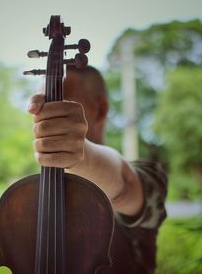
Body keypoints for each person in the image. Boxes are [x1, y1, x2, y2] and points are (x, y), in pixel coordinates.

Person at [27, 65, 167, 274]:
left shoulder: (148, 175)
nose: (49, 116)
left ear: (100, 110)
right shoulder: (28, 200)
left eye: (62, 104)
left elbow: (125, 185)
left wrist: (82, 154)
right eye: (45, 107)